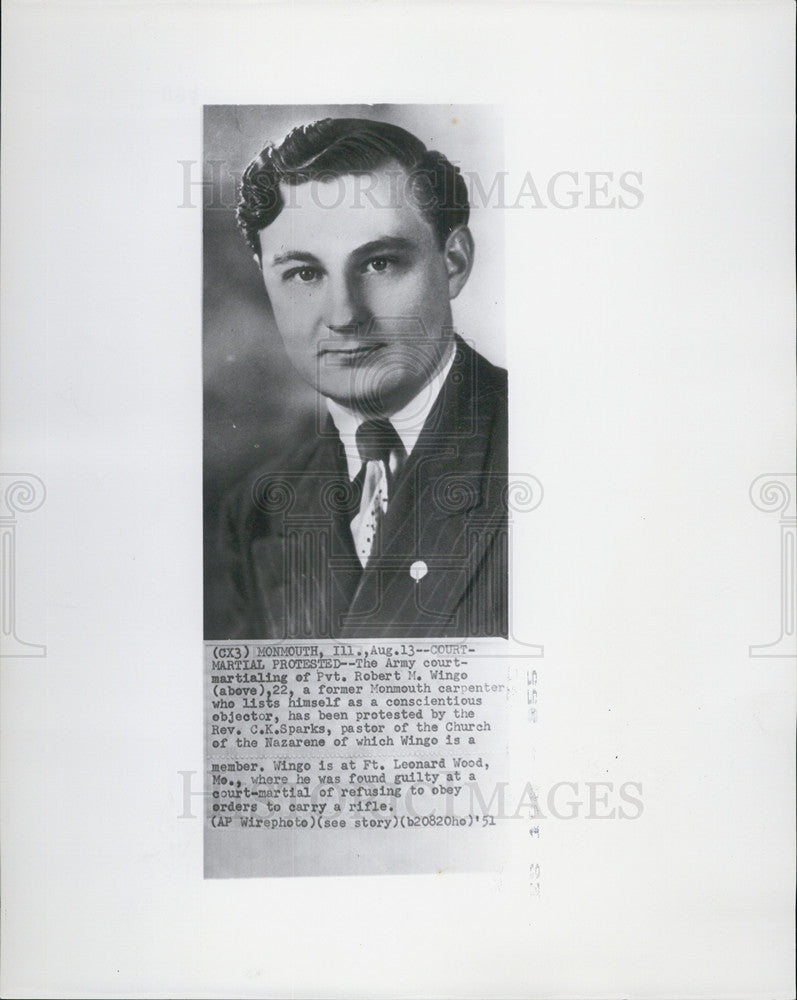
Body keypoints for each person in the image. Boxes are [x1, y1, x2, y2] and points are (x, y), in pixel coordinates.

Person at [210, 117, 507, 639]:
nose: (344, 315)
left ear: (454, 262)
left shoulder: (548, 445)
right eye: (304, 273)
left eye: (380, 263)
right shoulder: (252, 513)